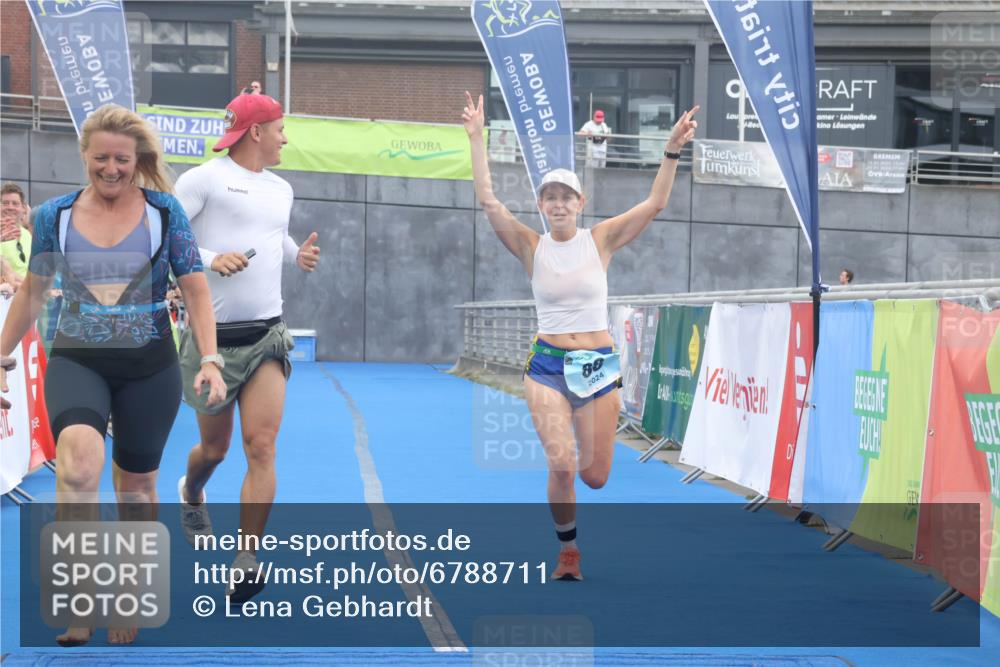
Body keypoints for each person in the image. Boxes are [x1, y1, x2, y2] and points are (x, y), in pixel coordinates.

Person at [0, 104, 226, 646]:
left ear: (136, 159)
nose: (111, 168)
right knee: (78, 465)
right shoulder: (53, 215)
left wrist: (212, 359)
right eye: (100, 158)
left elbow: (195, 288)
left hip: (151, 365)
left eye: (122, 159)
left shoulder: (164, 212)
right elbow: (31, 292)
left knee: (138, 489)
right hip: (77, 356)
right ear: (85, 157)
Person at [463, 91, 698, 580]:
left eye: (566, 196)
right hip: (548, 365)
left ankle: (572, 531)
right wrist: (474, 138)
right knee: (564, 464)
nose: (558, 203)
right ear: (542, 204)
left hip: (595, 364)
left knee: (594, 477)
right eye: (550, 197)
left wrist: (672, 149)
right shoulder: (530, 245)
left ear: (580, 202)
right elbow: (488, 198)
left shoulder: (602, 239)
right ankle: (568, 552)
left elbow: (655, 203)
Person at [174, 93, 321, 604]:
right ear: (256, 131)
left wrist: (295, 252)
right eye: (280, 128)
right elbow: (170, 238)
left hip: (267, 336)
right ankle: (192, 491)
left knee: (261, 446)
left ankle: (247, 558)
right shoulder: (201, 180)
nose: (286, 137)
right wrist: (212, 258)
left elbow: (271, 234)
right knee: (213, 450)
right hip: (212, 341)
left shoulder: (282, 188)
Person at [1, 183, 33, 286]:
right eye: (5, 203)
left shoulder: (28, 235)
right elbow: (6, 271)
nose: (10, 207)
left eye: (15, 203)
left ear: (23, 208)